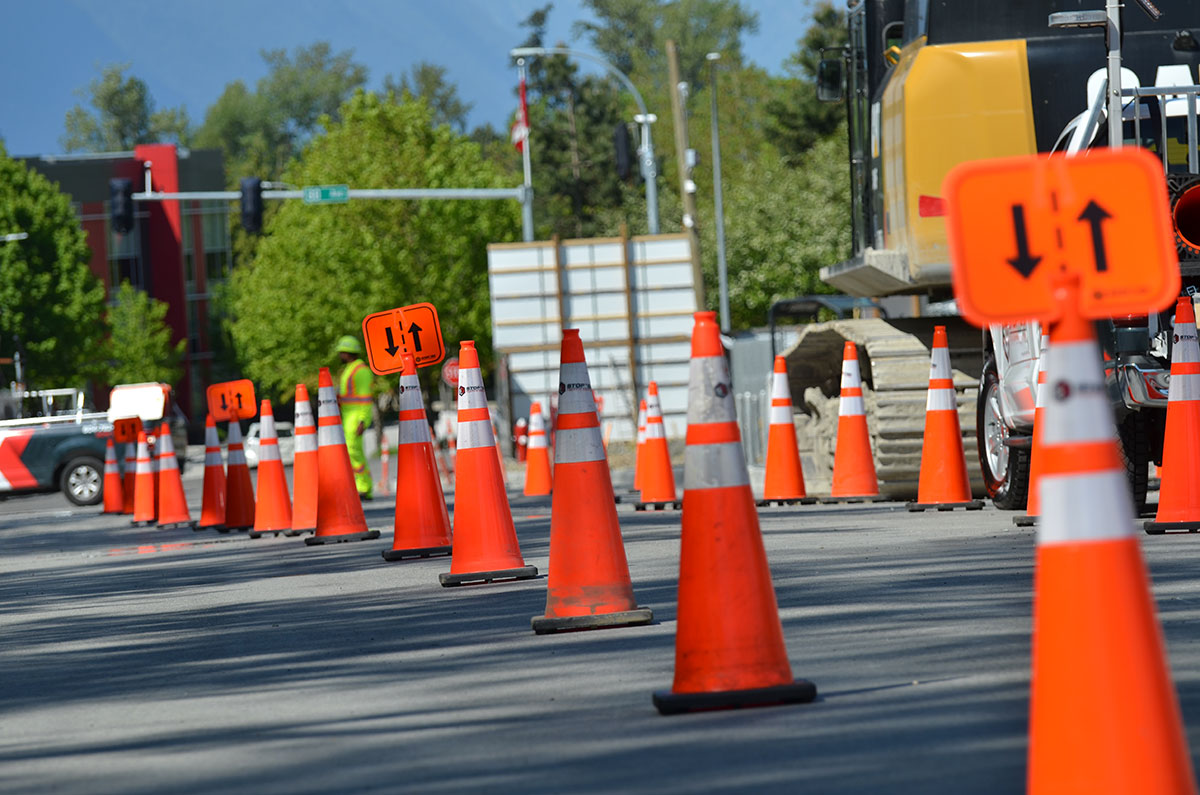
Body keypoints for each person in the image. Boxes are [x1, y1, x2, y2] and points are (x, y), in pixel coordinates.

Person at [335, 335, 374, 500]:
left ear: (348, 352)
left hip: (355, 417)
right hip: (348, 416)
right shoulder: (350, 369)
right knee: (352, 453)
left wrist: (363, 420)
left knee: (354, 452)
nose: (339, 355)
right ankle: (360, 486)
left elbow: (366, 398)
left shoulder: (361, 371)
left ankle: (364, 487)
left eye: (342, 352)